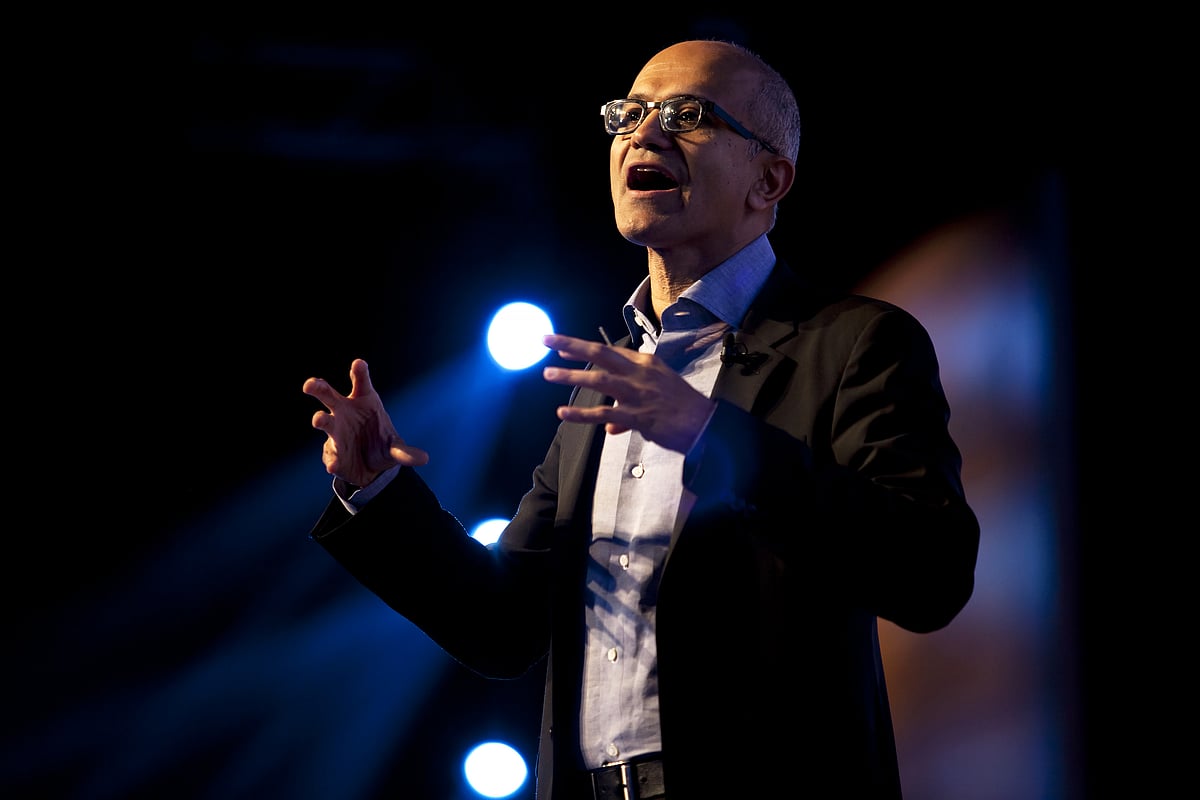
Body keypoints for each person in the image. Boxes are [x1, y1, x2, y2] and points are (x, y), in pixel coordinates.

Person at [302, 38, 980, 800]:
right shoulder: (608, 380)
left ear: (769, 179)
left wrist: (713, 437)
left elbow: (932, 573)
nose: (644, 134)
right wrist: (378, 494)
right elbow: (503, 627)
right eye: (627, 114)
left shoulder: (855, 343)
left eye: (687, 115)